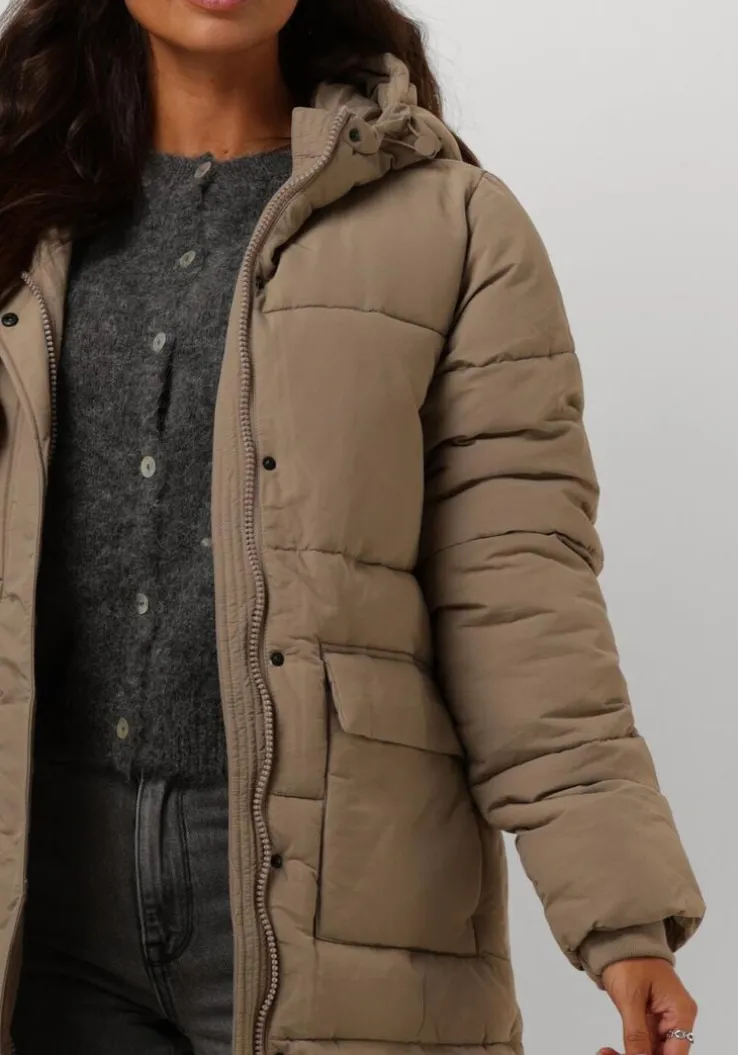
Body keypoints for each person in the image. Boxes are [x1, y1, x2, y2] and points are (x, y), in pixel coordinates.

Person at [0, 0, 704, 1053]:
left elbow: (520, 592)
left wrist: (624, 921)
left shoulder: (453, 227)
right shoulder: (21, 209)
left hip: (337, 896)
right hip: (44, 890)